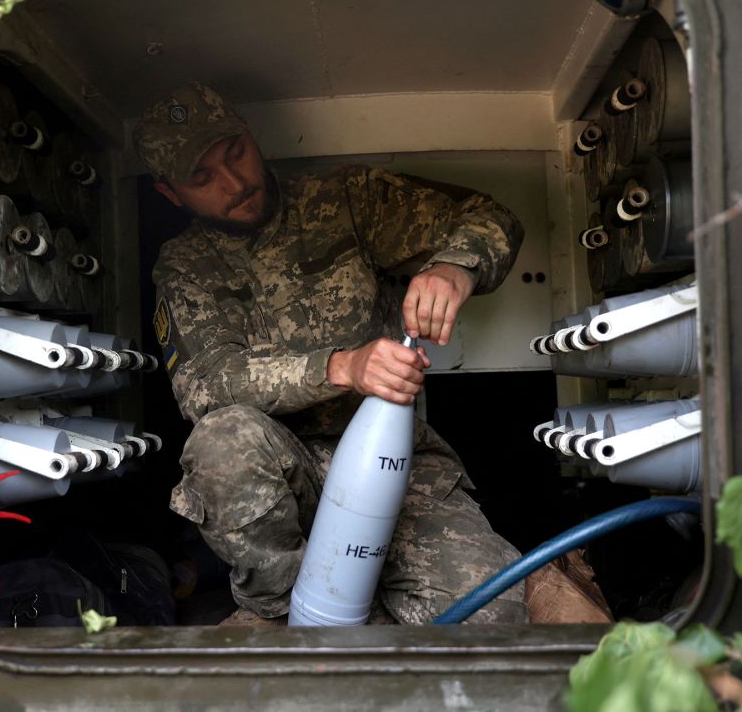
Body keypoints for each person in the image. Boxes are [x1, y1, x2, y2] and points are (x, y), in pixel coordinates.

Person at [133, 81, 528, 626]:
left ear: (250, 136)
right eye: (202, 179)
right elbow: (205, 385)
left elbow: (489, 216)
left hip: (398, 470)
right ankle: (280, 615)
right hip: (283, 479)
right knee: (222, 442)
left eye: (236, 154)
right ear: (170, 194)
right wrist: (342, 366)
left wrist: (454, 265)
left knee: (493, 616)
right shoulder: (185, 265)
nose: (235, 183)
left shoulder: (346, 201)